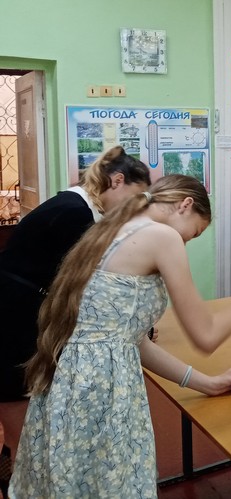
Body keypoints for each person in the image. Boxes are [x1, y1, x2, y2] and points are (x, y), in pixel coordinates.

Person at [9, 175, 231, 498]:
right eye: (194, 233)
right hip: (100, 391)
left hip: (71, 386)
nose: (185, 243)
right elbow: (206, 335)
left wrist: (206, 383)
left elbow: (132, 341)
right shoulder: (162, 236)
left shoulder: (112, 229)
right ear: (185, 205)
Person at [0, 146, 151, 401]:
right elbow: (88, 282)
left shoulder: (74, 204)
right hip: (15, 306)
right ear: (117, 181)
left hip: (20, 299)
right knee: (17, 391)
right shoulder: (75, 213)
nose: (132, 207)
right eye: (133, 197)